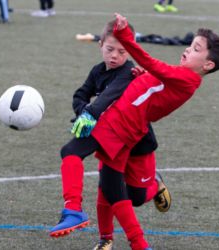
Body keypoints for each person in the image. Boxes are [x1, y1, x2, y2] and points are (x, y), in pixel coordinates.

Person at [53, 12, 219, 250]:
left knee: (71, 151)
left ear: (208, 65)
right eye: (190, 45)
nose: (188, 49)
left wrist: (126, 36)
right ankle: (137, 244)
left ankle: (73, 209)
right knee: (111, 187)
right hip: (125, 125)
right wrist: (143, 76)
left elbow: (150, 63)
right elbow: (155, 88)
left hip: (119, 122)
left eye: (196, 48)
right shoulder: (182, 76)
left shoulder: (187, 79)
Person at [49, 19, 172, 242]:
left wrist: (90, 113)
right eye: (109, 49)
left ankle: (155, 184)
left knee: (135, 197)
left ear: (130, 49)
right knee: (94, 174)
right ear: (100, 45)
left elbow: (110, 95)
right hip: (109, 135)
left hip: (137, 142)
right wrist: (82, 111)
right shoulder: (97, 71)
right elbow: (80, 95)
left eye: (122, 51)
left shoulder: (129, 71)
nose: (115, 55)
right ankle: (82, 217)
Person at [76, 31, 194, 46]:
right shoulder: (176, 41)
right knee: (113, 38)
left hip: (137, 38)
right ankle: (91, 37)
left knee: (113, 38)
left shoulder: (174, 41)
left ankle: (90, 37)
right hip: (140, 37)